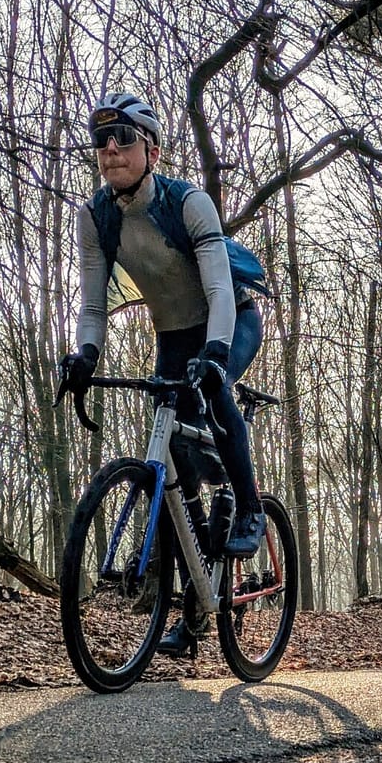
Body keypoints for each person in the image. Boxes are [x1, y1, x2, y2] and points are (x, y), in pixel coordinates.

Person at [58, 91, 266, 657]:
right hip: (173, 336)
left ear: (151, 149)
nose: (109, 149)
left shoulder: (189, 202)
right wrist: (85, 354)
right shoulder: (95, 217)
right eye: (100, 140)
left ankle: (249, 508)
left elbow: (219, 289)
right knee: (172, 464)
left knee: (214, 397)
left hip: (230, 320)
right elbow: (93, 305)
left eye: (123, 138)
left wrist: (217, 354)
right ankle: (195, 605)